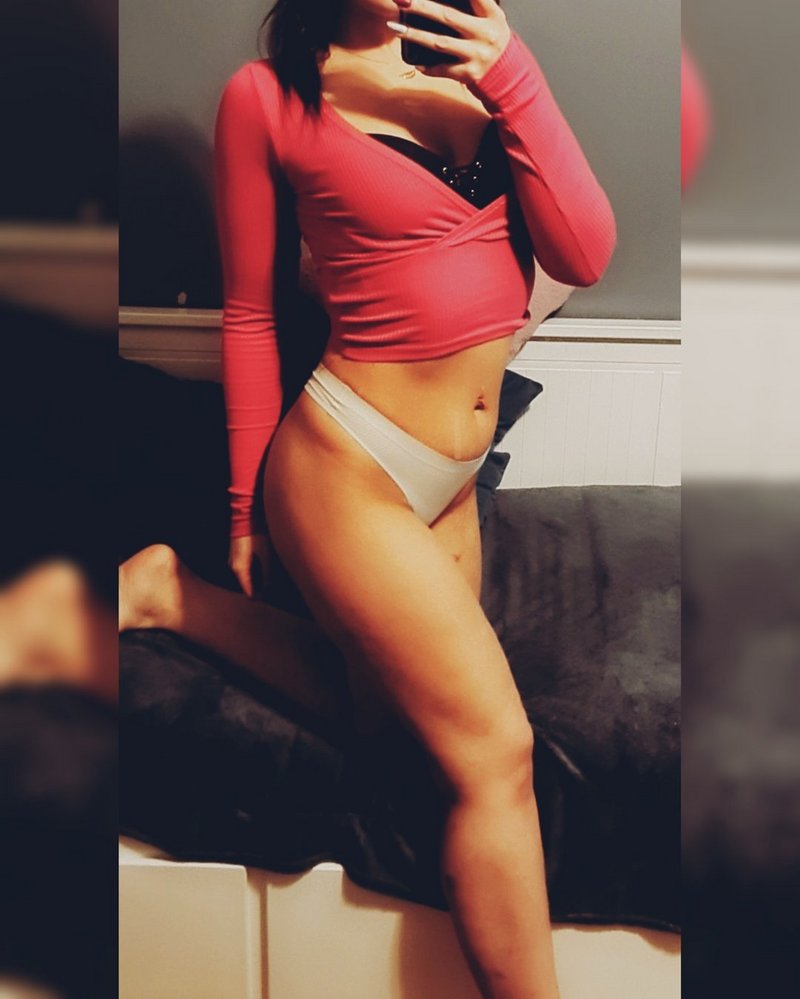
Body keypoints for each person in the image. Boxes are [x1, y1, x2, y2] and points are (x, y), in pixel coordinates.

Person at [126, 2, 616, 996]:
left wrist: (513, 73)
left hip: (451, 481)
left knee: (386, 723)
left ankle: (170, 595)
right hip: (347, 469)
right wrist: (243, 506)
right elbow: (250, 312)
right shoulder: (269, 97)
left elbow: (584, 255)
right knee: (496, 753)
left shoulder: (483, 72)